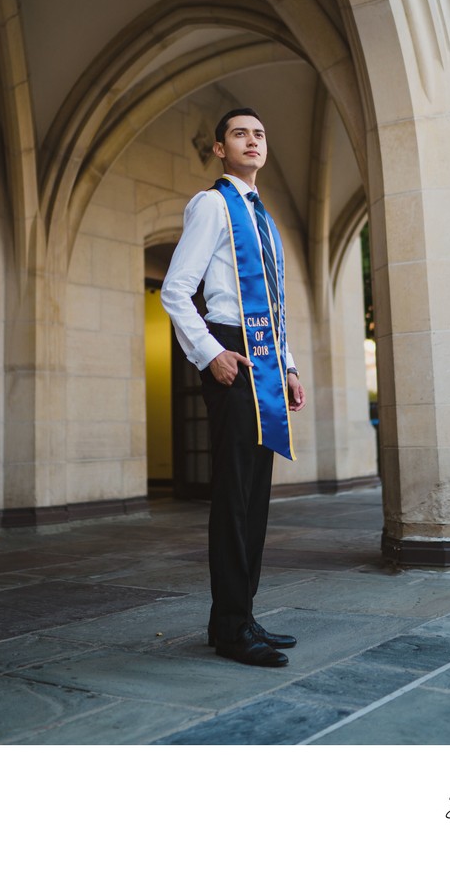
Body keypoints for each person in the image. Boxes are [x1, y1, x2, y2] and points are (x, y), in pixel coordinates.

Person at [161, 109, 306, 667]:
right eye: (240, 134)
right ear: (220, 148)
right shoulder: (213, 205)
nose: (252, 141)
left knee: (256, 496)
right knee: (233, 495)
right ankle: (228, 628)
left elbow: (273, 306)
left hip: (266, 355)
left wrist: (289, 366)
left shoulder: (265, 220)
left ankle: (243, 616)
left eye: (260, 134)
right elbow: (175, 290)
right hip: (230, 350)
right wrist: (210, 353)